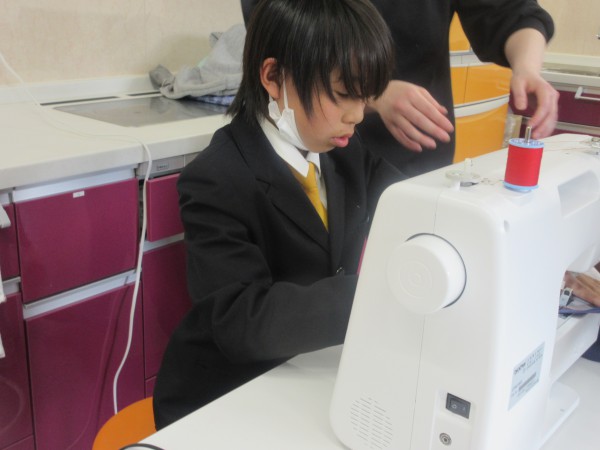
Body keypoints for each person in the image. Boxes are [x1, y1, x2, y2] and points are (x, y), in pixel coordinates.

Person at [153, 0, 405, 429]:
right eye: (344, 94)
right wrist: (374, 295)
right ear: (273, 77)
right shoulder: (217, 178)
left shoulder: (341, 149)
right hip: (227, 392)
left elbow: (404, 199)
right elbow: (241, 319)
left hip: (307, 368)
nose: (357, 115)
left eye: (365, 96)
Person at [242, 0, 558, 177]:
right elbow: (282, 38)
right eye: (345, 93)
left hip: (408, 159)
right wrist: (375, 93)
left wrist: (527, 68)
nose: (356, 114)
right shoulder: (233, 179)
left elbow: (512, 13)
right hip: (301, 151)